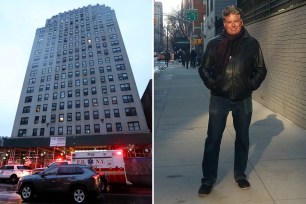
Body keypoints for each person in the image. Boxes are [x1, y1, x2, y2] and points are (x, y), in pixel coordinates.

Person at [198, 5, 267, 196]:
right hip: (219, 99)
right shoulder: (214, 44)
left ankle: (240, 174)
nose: (233, 25)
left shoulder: (252, 44)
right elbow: (203, 69)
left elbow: (261, 69)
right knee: (213, 140)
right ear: (225, 23)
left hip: (243, 99)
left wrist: (250, 85)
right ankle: (208, 179)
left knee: (243, 138)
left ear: (241, 22)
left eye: (236, 21)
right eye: (229, 22)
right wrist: (214, 85)